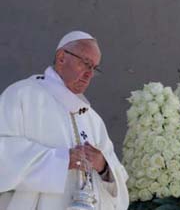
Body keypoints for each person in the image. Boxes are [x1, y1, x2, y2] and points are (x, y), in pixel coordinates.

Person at [0, 31, 129, 210]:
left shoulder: (93, 119)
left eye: (94, 68)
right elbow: (4, 153)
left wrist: (103, 166)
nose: (89, 74)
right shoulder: (23, 96)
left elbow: (118, 179)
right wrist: (61, 161)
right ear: (61, 58)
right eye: (85, 64)